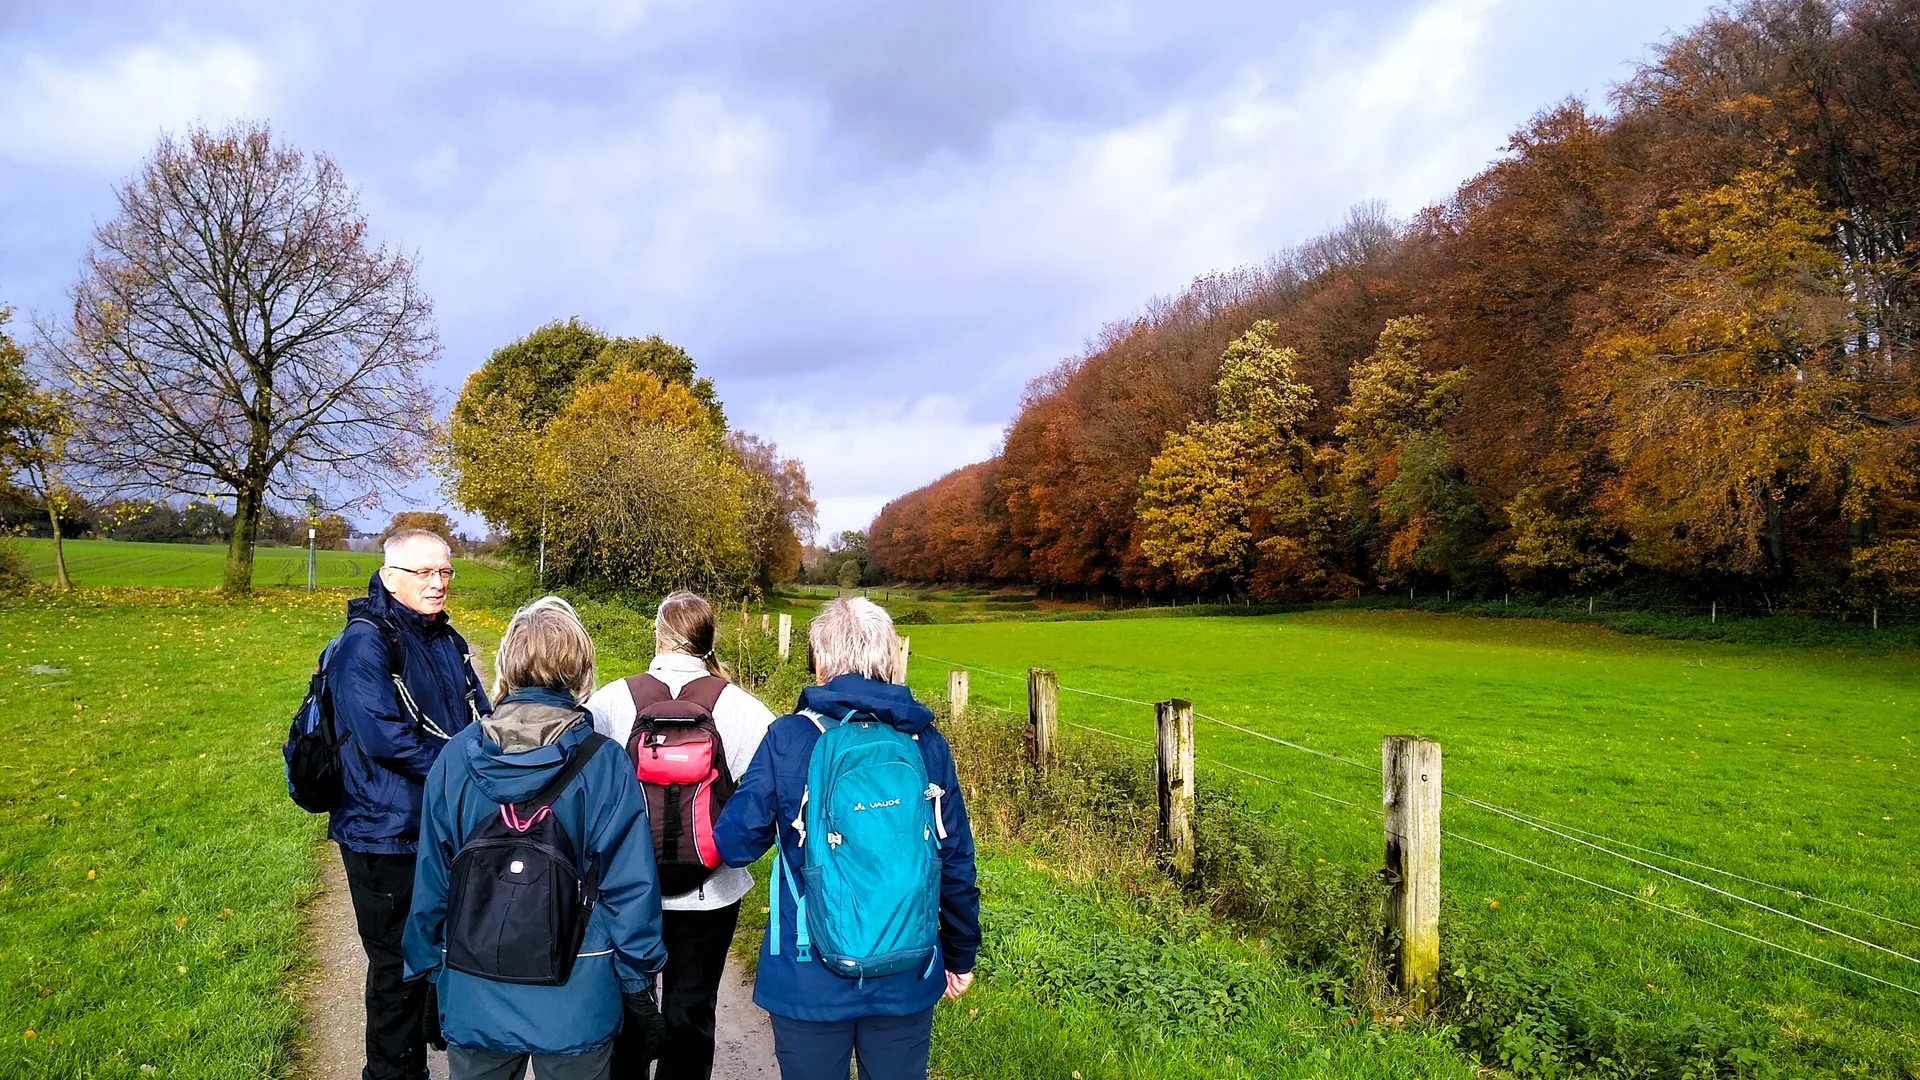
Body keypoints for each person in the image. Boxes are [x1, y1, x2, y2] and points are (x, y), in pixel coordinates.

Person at [712, 598, 980, 1080]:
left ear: (819, 662)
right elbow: (954, 857)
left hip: (806, 975)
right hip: (908, 968)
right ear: (890, 660)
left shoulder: (789, 738)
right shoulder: (925, 742)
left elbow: (734, 845)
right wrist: (960, 953)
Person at [403, 596, 668, 1080]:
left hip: (473, 982)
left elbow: (433, 881)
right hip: (577, 989)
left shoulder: (456, 757)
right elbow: (630, 888)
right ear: (581, 668)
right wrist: (636, 981)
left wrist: (428, 973)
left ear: (506, 662)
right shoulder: (604, 763)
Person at [586, 590, 776, 1080]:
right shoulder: (742, 709)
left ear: (658, 634)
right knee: (692, 1011)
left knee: (627, 1006)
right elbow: (769, 797)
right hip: (711, 890)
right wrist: (732, 853)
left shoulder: (611, 700)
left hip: (627, 888)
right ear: (709, 641)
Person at [330, 529, 490, 1080]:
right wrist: (462, 772)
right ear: (391, 575)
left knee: (438, 949)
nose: (439, 583)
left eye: (445, 572)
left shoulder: (446, 640)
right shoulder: (365, 642)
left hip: (438, 827)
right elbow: (383, 737)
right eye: (426, 573)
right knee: (395, 967)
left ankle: (429, 1042)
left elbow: (478, 719)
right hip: (384, 832)